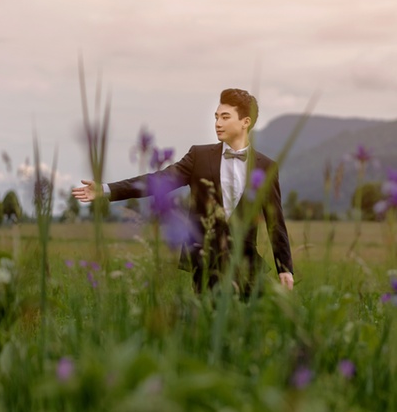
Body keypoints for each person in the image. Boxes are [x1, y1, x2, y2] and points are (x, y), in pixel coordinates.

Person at [72, 89, 294, 294]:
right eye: (216, 117)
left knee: (246, 332)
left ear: (245, 122)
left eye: (225, 117)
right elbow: (158, 181)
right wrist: (107, 190)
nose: (217, 123)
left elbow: (276, 222)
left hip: (247, 267)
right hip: (205, 264)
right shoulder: (199, 156)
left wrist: (285, 268)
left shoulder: (266, 167)